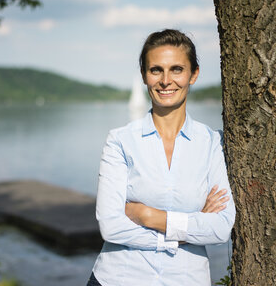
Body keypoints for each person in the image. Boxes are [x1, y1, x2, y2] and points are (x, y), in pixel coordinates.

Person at [87, 29, 235, 286]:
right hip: (118, 279)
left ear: (193, 74)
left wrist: (147, 216)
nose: (166, 80)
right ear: (145, 76)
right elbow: (110, 226)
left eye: (177, 69)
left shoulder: (212, 143)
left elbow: (221, 227)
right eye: (156, 70)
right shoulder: (120, 141)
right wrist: (184, 230)